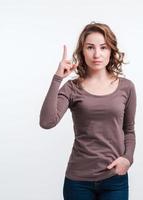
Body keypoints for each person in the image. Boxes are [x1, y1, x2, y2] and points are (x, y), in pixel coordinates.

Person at [39, 22, 137, 200]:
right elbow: (47, 122)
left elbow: (128, 130)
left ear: (111, 51)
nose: (97, 54)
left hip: (115, 180)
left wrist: (127, 158)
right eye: (90, 47)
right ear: (82, 52)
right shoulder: (72, 87)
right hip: (78, 182)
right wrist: (57, 78)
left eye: (103, 47)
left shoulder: (126, 87)